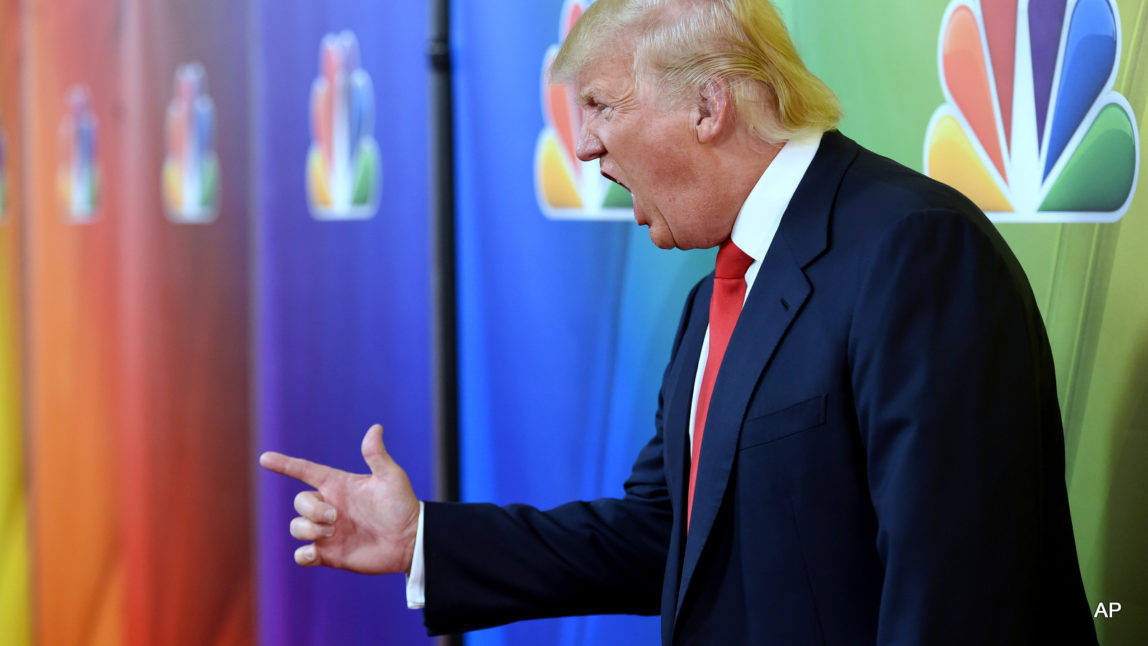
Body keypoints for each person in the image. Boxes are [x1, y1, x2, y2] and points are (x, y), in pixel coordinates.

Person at [260, 0, 1099, 643]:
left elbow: (957, 597)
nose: (584, 146)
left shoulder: (915, 252)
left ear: (709, 105)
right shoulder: (715, 296)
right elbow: (671, 535)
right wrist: (423, 540)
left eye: (600, 104)